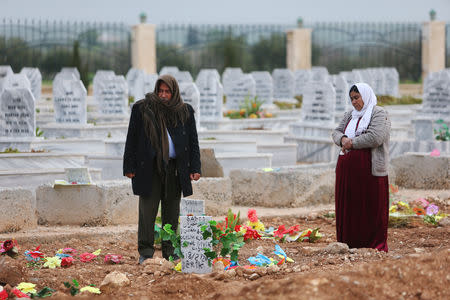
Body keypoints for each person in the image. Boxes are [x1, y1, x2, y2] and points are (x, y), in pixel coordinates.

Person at [123, 74, 201, 264]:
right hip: (149, 167)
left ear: (174, 92)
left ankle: (170, 251)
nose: (163, 95)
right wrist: (129, 166)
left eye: (167, 91)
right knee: (147, 211)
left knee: (172, 212)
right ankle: (146, 252)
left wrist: (195, 167)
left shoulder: (184, 111)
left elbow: (193, 142)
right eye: (160, 91)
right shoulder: (143, 109)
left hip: (175, 168)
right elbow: (132, 139)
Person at [332, 82, 391, 252]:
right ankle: (350, 241)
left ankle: (373, 244)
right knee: (351, 205)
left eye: (357, 97)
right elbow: (336, 132)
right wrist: (343, 139)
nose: (354, 102)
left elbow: (376, 137)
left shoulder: (379, 113)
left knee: (370, 206)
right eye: (351, 99)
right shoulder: (350, 115)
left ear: (365, 96)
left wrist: (351, 143)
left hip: (370, 170)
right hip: (348, 171)